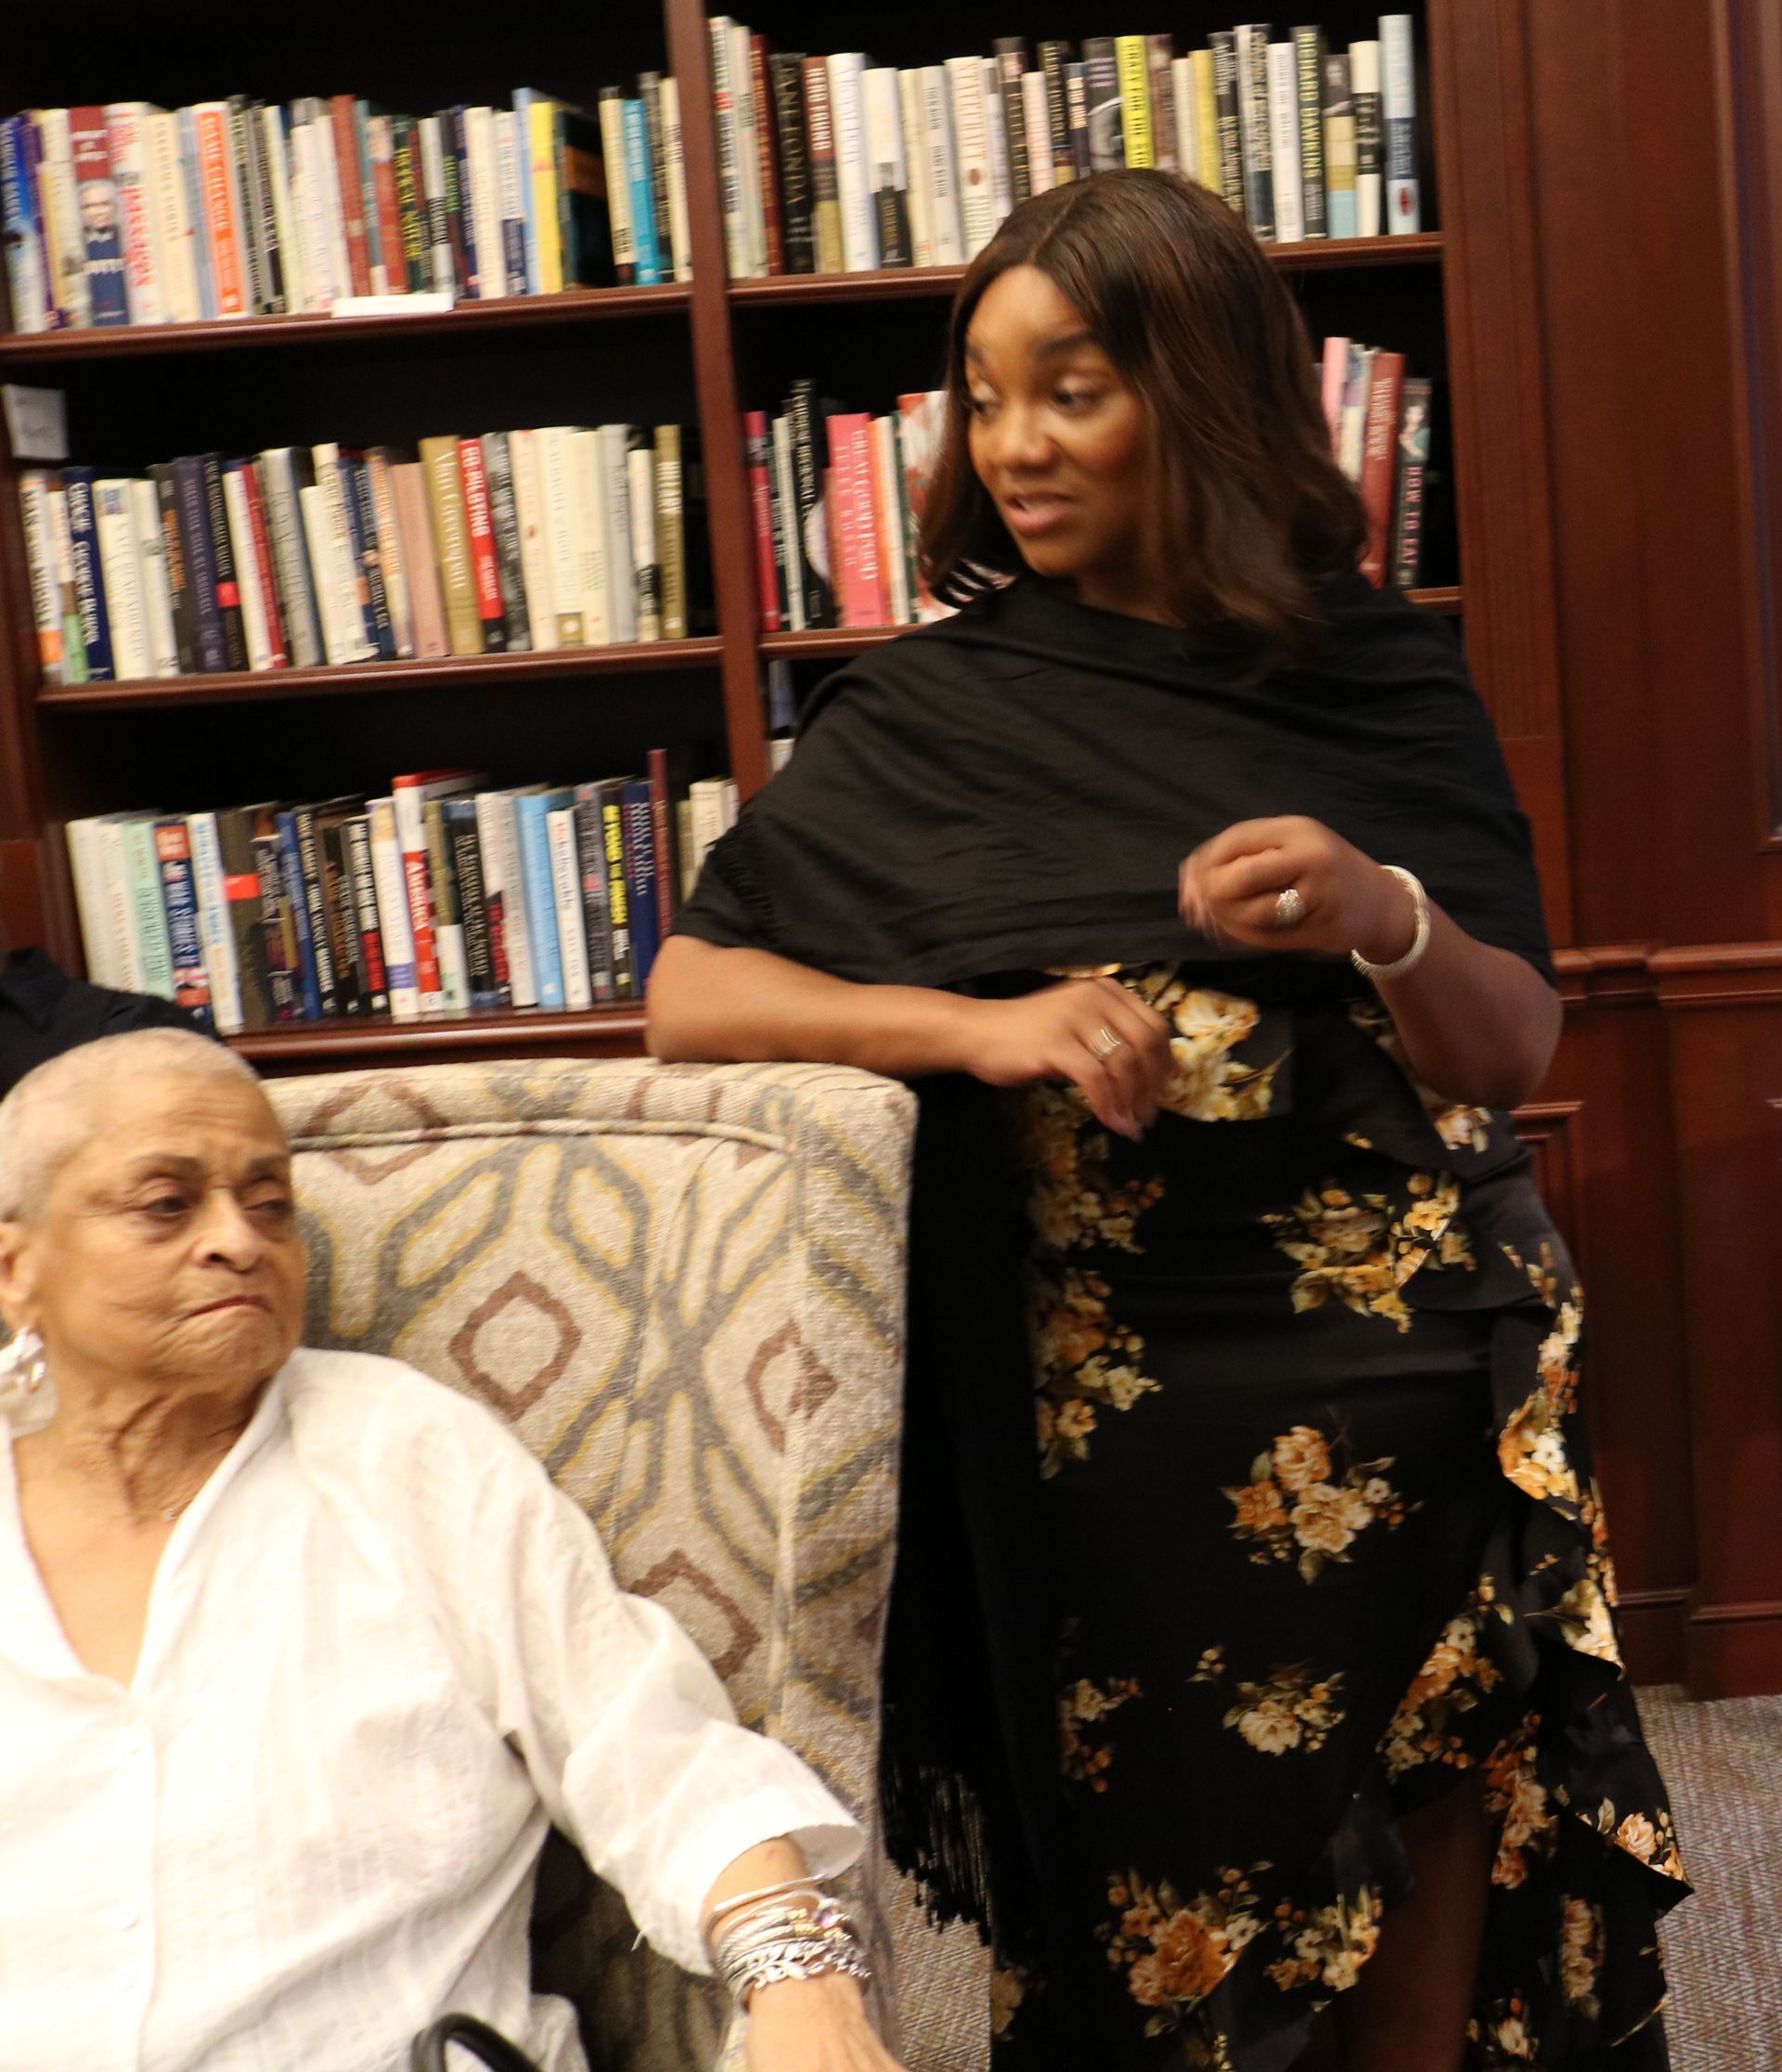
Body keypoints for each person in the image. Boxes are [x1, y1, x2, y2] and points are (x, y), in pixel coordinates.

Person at [648, 170, 1687, 2071]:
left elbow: (1508, 1040)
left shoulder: (1369, 672)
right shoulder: (926, 713)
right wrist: (973, 1026)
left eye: (1074, 388)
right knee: (1151, 1901)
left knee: (1427, 1818)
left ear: (1199, 396)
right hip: (1097, 1418)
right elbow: (692, 998)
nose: (1015, 444)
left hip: (1411, 1377)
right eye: (982, 394)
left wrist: (1384, 911)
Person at [0, 1027, 905, 2072]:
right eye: (167, 1205)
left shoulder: (403, 1455)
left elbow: (655, 1758)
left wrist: (805, 1987)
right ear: (16, 1271)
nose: (237, 1241)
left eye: (270, 1205)